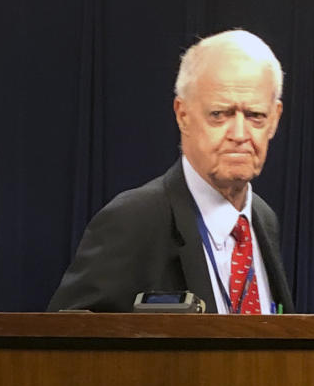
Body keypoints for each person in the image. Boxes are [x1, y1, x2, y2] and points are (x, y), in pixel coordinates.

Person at [48, 29, 294, 314]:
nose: (240, 134)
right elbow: (63, 345)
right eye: (219, 114)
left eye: (255, 116)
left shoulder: (263, 220)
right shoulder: (134, 220)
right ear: (183, 115)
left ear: (275, 118)